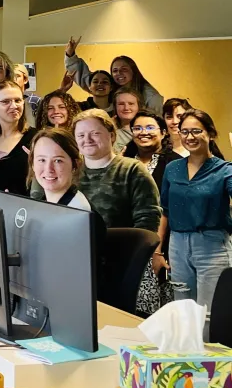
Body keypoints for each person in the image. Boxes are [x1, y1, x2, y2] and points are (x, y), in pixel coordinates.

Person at [31, 109, 161, 232]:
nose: (87, 139)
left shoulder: (132, 170)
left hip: (119, 250)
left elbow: (148, 221)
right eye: (81, 135)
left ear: (112, 135)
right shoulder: (68, 169)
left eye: (95, 133)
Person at [159, 109, 232, 315]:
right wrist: (157, 251)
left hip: (212, 246)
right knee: (183, 311)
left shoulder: (225, 170)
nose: (189, 137)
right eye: (184, 132)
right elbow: (165, 211)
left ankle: (208, 349)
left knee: (209, 313)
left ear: (210, 134)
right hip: (177, 245)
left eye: (196, 131)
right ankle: (185, 349)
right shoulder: (173, 168)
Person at [64, 37, 164, 113]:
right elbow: (86, 78)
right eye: (115, 70)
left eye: (124, 69)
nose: (119, 73)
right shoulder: (108, 87)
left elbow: (156, 120)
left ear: (133, 71)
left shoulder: (150, 96)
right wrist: (70, 55)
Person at [0, 81, 36, 196]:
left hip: (19, 209)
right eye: (5, 101)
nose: (14, 106)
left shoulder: (36, 138)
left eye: (18, 100)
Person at [27, 128, 91, 210]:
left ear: (75, 164)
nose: (49, 169)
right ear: (33, 164)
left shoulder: (78, 211)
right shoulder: (44, 204)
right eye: (42, 160)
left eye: (58, 161)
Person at [123, 111, 183, 190]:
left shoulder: (177, 163)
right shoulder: (124, 160)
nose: (143, 132)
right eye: (137, 128)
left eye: (150, 128)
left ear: (163, 133)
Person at [112, 87, 142, 154]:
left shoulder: (149, 129)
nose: (126, 108)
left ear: (139, 106)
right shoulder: (109, 131)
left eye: (131, 103)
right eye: (121, 104)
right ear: (115, 107)